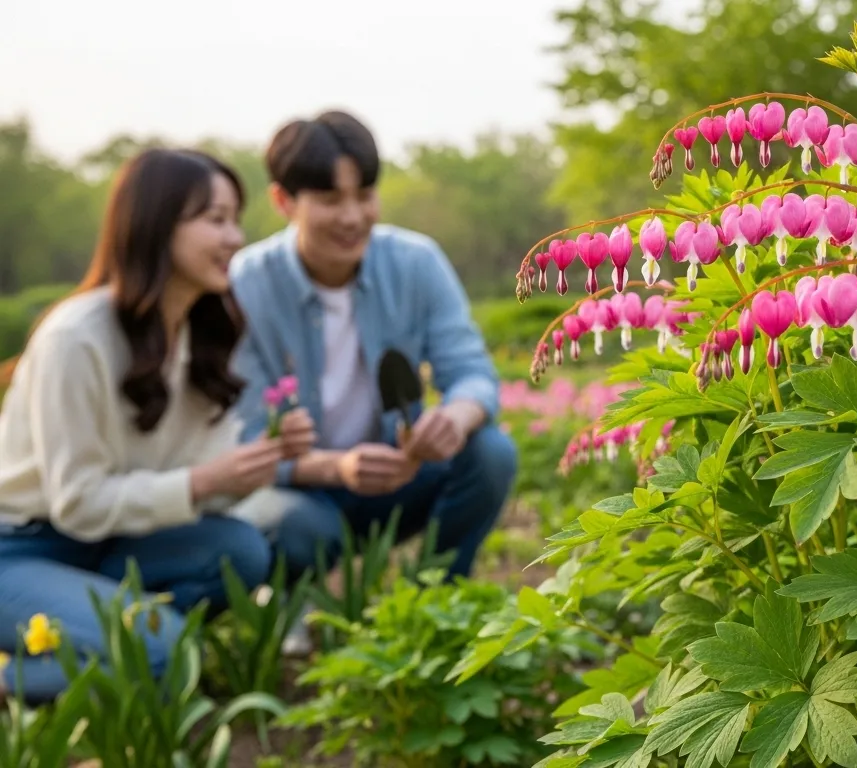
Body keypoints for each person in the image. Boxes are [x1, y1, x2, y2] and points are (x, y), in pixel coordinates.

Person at [0, 149, 316, 702]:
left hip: (114, 544)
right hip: (22, 550)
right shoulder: (76, 338)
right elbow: (78, 503)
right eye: (215, 219)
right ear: (156, 224)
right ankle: (29, 677)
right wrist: (204, 481)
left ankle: (104, 644)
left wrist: (254, 466)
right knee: (162, 652)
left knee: (241, 552)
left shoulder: (200, 335)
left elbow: (193, 490)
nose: (235, 238)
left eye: (235, 220)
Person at [228, 111, 517, 643]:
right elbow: (243, 436)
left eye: (364, 195)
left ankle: (439, 607)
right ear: (284, 201)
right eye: (330, 200)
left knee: (490, 453)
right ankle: (294, 599)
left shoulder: (415, 263)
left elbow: (473, 373)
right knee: (296, 525)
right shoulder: (244, 285)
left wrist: (454, 418)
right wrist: (337, 468)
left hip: (398, 473)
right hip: (302, 489)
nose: (352, 217)